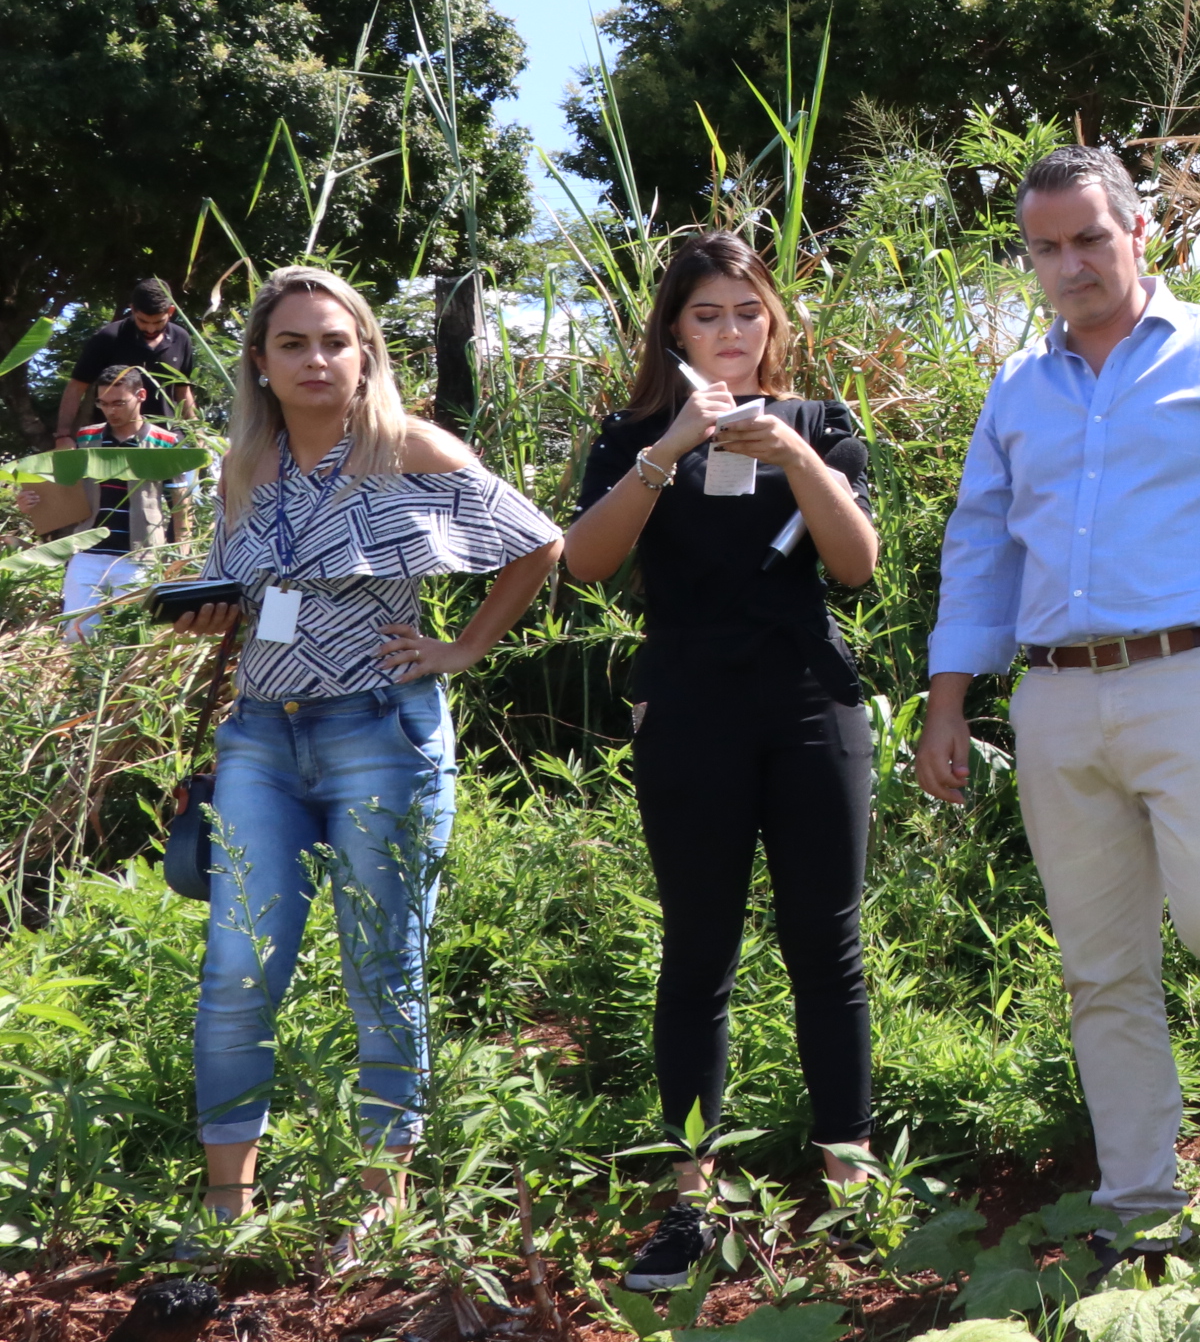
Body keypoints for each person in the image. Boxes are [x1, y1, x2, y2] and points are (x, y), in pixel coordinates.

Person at [917, 145, 1200, 1234]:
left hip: (1195, 678)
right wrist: (947, 697)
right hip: (1055, 700)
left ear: (1137, 233)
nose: (1069, 264)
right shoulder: (1020, 388)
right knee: (1101, 968)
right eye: (1045, 247)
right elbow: (980, 546)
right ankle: (1140, 1206)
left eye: (1088, 239)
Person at [166, 265, 561, 1244]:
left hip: (378, 731)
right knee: (237, 967)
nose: (315, 358)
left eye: (335, 340)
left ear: (365, 353)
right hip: (260, 733)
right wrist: (211, 609)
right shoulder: (245, 469)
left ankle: (382, 1201)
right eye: (292, 343)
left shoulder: (409, 450)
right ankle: (228, 1210)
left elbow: (538, 540)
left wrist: (464, 645)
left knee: (381, 963)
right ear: (259, 361)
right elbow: (248, 591)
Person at [563, 232, 882, 1292]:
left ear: (774, 322)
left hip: (808, 702)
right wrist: (669, 450)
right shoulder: (632, 434)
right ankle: (692, 1201)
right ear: (672, 328)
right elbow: (588, 564)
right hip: (692, 706)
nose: (732, 332)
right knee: (698, 951)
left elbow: (856, 567)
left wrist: (798, 460)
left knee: (824, 942)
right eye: (708, 314)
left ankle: (852, 1180)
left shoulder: (822, 424)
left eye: (749, 312)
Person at [14, 364, 195, 638]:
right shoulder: (88, 438)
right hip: (87, 552)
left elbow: (181, 504)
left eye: (119, 403)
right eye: (103, 403)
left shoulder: (166, 442)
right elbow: (62, 488)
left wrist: (182, 555)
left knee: (132, 637)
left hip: (140, 556)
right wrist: (30, 502)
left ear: (141, 396)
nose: (111, 411)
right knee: (77, 635)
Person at [59, 276, 200, 442]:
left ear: (170, 311)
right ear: (132, 310)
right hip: (115, 441)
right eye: (143, 321)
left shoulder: (181, 338)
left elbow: (183, 390)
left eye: (158, 322)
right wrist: (63, 435)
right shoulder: (108, 338)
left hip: (166, 440)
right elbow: (76, 387)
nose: (150, 328)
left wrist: (197, 431)